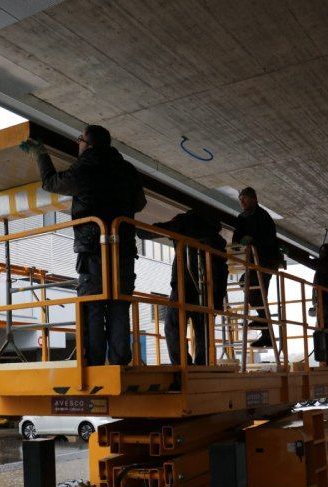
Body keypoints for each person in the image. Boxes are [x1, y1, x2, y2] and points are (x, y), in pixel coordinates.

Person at [21, 125, 146, 366]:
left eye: (79, 140)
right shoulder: (126, 169)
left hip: (94, 249)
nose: (78, 144)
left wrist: (40, 153)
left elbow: (51, 182)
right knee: (119, 304)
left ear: (88, 144)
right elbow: (139, 203)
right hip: (123, 249)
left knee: (93, 306)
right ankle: (120, 363)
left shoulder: (87, 165)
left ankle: (94, 365)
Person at [141, 208, 227, 365]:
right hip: (209, 290)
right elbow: (223, 272)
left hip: (184, 283)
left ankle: (182, 364)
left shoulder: (185, 222)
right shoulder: (216, 240)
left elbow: (152, 231)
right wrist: (218, 300)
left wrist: (132, 227)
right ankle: (202, 365)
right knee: (203, 331)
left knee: (173, 326)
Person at [232, 187, 282, 347]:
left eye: (244, 198)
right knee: (248, 286)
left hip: (266, 260)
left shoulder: (263, 216)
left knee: (257, 292)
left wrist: (252, 240)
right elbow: (236, 239)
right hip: (253, 261)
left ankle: (263, 325)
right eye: (240, 200)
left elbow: (269, 238)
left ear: (254, 199)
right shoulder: (242, 217)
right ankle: (264, 326)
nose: (242, 202)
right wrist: (239, 243)